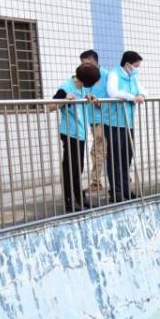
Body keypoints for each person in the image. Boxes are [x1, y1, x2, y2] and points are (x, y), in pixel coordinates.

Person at [50, 63, 101, 212]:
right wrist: (65, 99)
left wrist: (89, 96)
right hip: (70, 133)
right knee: (70, 168)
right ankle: (69, 202)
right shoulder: (65, 88)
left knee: (78, 167)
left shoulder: (83, 87)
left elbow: (84, 96)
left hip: (80, 133)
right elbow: (50, 107)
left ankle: (80, 198)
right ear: (85, 80)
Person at [104, 50, 146, 202]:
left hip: (129, 123)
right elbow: (112, 92)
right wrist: (131, 97)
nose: (137, 69)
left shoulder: (132, 77)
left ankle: (126, 189)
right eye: (136, 66)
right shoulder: (114, 74)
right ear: (128, 64)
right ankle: (116, 192)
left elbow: (142, 90)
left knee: (127, 157)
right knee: (115, 158)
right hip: (114, 123)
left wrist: (141, 95)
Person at [79, 49, 109, 192]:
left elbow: (114, 95)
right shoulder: (84, 77)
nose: (84, 67)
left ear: (94, 62)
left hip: (104, 119)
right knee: (104, 150)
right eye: (82, 64)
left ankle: (96, 183)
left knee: (97, 151)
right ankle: (123, 176)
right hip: (93, 120)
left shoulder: (106, 76)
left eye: (86, 63)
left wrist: (101, 103)